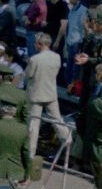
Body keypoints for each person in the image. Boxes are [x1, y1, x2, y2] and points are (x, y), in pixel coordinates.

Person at [25, 33, 72, 162]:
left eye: (36, 43)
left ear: (40, 44)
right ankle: (67, 140)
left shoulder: (35, 59)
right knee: (57, 119)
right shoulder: (57, 57)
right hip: (50, 93)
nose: (34, 45)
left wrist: (28, 64)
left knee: (33, 124)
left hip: (36, 94)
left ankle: (30, 153)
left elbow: (28, 75)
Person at [0, 101, 32, 183]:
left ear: (1, 110)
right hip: (16, 173)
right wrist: (27, 175)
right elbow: (26, 154)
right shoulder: (23, 129)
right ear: (15, 112)